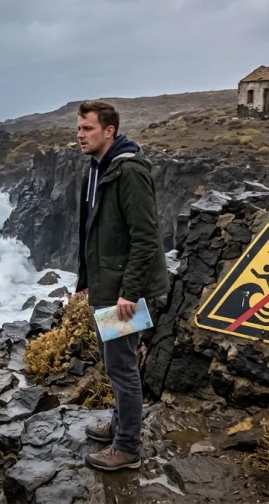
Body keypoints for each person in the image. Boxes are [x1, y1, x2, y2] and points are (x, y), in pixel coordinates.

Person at [72, 100, 169, 472]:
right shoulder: (95, 170)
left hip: (123, 290)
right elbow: (90, 232)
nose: (80, 136)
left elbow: (146, 238)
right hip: (105, 283)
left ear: (109, 131)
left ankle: (127, 446)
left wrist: (129, 292)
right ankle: (118, 423)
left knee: (123, 365)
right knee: (113, 363)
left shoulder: (128, 171)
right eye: (79, 129)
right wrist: (84, 280)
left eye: (87, 129)